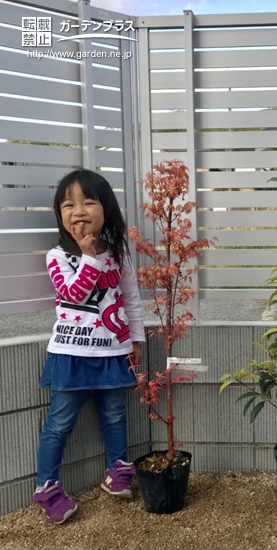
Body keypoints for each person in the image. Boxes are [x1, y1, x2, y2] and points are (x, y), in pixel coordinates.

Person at [33, 169, 145, 524]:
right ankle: (46, 486)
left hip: (112, 351)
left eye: (88, 202)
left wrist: (136, 339)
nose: (78, 210)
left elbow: (131, 299)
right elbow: (73, 294)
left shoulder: (119, 256)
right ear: (60, 214)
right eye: (69, 204)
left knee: (115, 415)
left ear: (105, 209)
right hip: (71, 354)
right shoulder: (57, 256)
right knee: (59, 423)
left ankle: (118, 470)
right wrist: (89, 256)